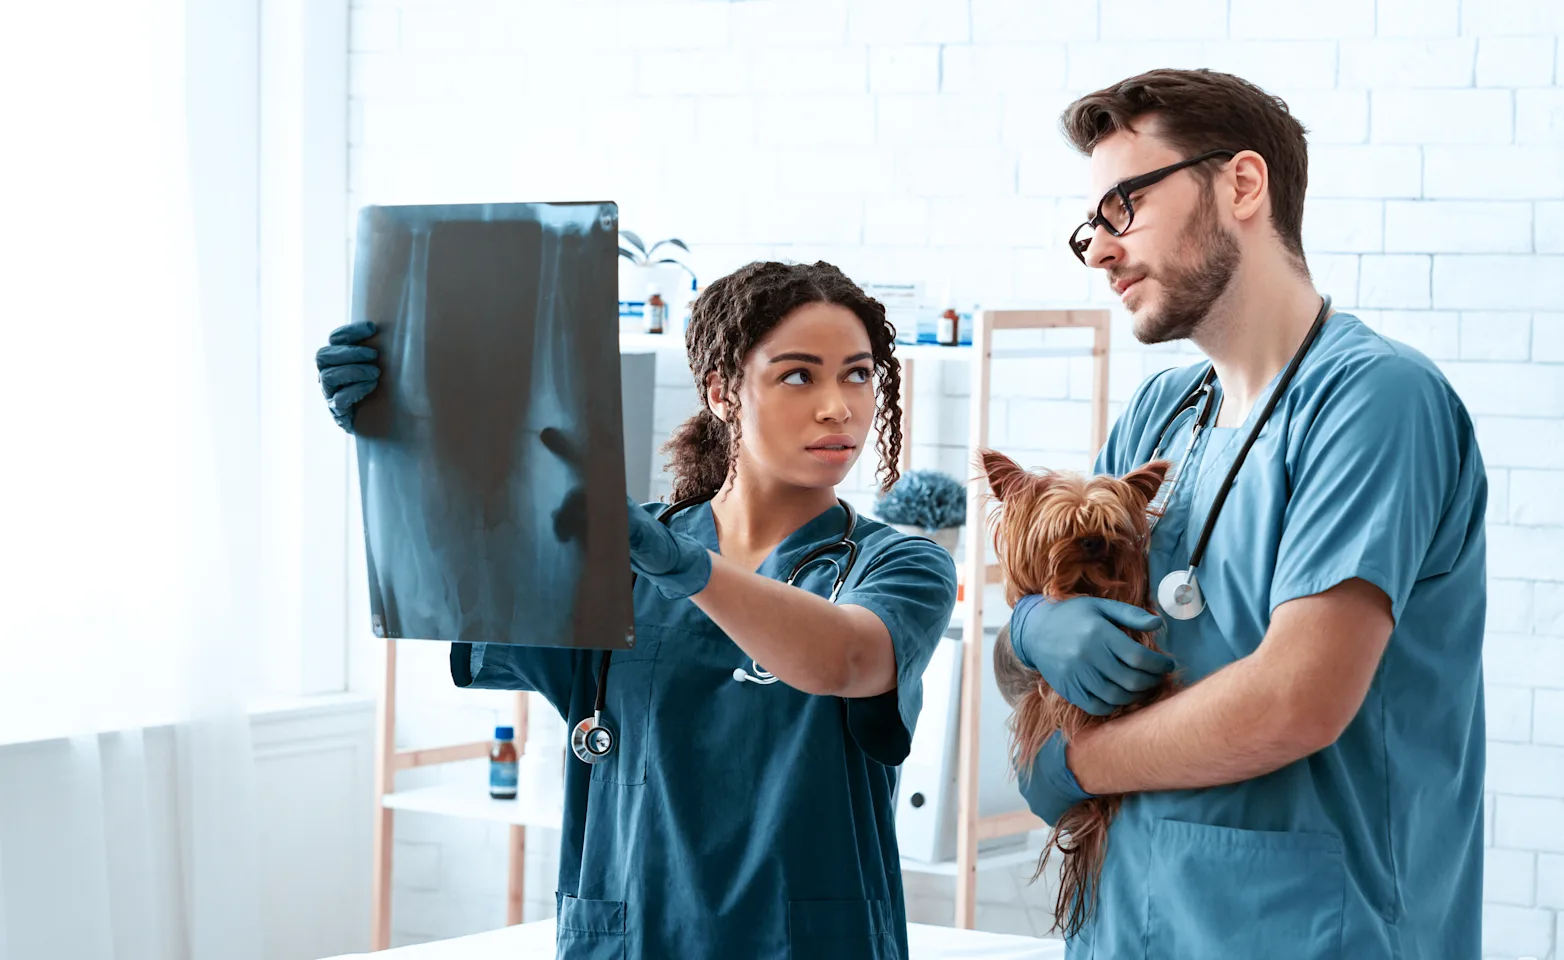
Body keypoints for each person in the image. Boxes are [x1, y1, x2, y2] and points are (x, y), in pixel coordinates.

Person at [317, 260, 958, 959]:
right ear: (722, 391)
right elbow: (457, 583)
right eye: (799, 375)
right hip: (632, 936)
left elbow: (847, 656)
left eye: (859, 374)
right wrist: (400, 443)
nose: (839, 406)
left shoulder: (898, 563)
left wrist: (675, 562)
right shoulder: (615, 555)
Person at [1004, 69, 1487, 957]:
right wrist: (1033, 628)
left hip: (1315, 927)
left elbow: (1295, 702)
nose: (1101, 251)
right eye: (1090, 229)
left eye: (1125, 208)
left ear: (1242, 184)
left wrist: (1074, 766)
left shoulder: (1374, 401)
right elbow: (1047, 636)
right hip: (1133, 920)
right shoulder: (1160, 414)